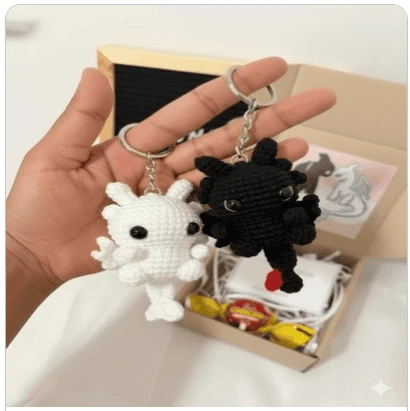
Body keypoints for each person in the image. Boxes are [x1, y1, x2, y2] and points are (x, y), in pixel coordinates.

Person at [6, 57, 336, 346]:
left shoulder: (212, 201)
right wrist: (21, 251)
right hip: (172, 255)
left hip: (255, 236)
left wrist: (23, 254)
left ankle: (286, 274)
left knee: (276, 251)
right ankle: (276, 275)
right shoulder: (153, 216)